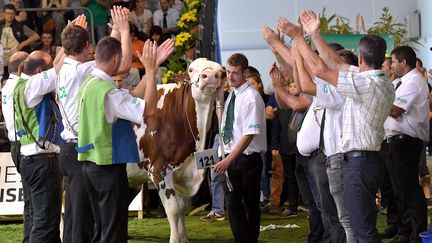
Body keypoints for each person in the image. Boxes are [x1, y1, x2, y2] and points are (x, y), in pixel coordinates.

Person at [290, 11, 395, 242]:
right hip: (365, 159)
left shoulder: (364, 83)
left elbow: (321, 69)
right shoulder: (379, 80)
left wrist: (299, 38)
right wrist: (314, 35)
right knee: (360, 226)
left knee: (362, 230)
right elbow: (335, 62)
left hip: (359, 162)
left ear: (359, 57)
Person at [77, 29, 173, 242]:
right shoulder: (109, 92)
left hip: (91, 166)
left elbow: (133, 98)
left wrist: (153, 66)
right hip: (108, 168)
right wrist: (149, 71)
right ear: (116, 58)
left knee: (101, 229)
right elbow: (148, 111)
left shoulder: (90, 83)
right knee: (113, 233)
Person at [214, 53, 266, 243]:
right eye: (228, 72)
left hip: (247, 160)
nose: (230, 77)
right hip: (233, 158)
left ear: (245, 72)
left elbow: (248, 134)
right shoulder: (233, 96)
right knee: (234, 205)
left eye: (235, 73)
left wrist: (228, 159)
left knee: (249, 205)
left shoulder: (251, 97)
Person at [13, 50, 64, 243]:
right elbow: (58, 70)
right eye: (48, 66)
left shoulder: (21, 85)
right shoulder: (33, 84)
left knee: (44, 220)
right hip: (42, 161)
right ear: (40, 70)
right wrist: (68, 44)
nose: (52, 67)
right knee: (46, 222)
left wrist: (63, 50)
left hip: (32, 160)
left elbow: (55, 67)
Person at [384, 45, 429, 242]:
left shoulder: (413, 82)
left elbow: (395, 110)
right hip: (397, 141)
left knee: (409, 189)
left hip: (407, 142)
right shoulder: (402, 82)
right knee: (399, 189)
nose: (391, 65)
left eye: (393, 61)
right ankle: (406, 230)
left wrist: (377, 102)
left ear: (403, 62)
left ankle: (417, 232)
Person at [2, 51, 31, 242]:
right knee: (34, 201)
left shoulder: (7, 87)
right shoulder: (20, 87)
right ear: (22, 67)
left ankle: (29, 238)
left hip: (15, 144)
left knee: (30, 200)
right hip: (23, 146)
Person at [0, 4, 40, 79]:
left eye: (12, 13)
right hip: (2, 58)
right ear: (4, 14)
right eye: (7, 13)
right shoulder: (0, 26)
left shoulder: (20, 26)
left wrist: (22, 44)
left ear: (15, 14)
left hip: (15, 58)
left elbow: (36, 36)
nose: (9, 15)